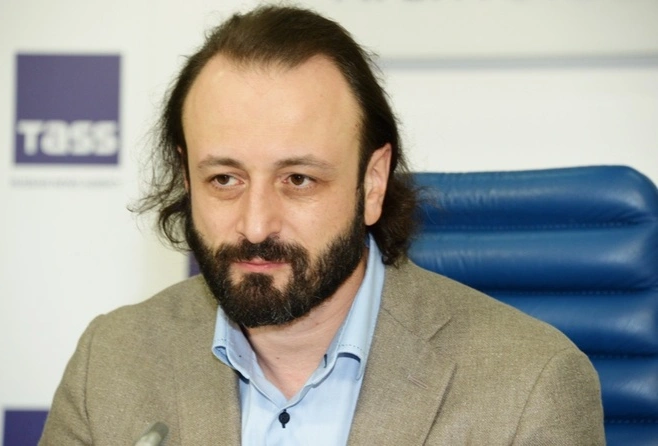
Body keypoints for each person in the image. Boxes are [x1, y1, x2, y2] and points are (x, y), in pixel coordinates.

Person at [40, 5, 605, 445]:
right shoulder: (110, 362)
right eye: (225, 179)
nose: (255, 225)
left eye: (298, 179)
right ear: (187, 180)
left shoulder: (530, 385)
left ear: (373, 183)